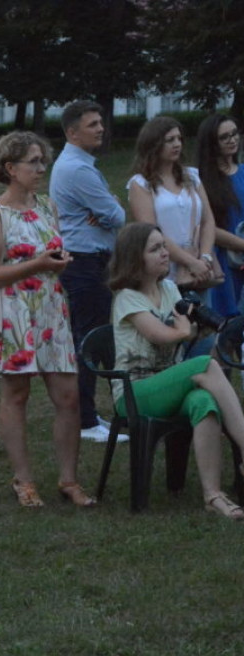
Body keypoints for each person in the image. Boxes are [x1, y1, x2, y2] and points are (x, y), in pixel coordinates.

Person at [0, 131, 95, 508]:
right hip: (15, 312)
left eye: (43, 161)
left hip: (51, 309)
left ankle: (69, 479)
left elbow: (51, 254)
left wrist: (56, 264)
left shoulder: (47, 206)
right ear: (10, 168)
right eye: (33, 162)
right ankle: (23, 480)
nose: (42, 168)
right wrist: (39, 263)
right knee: (17, 394)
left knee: (69, 397)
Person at [109, 222, 244, 518]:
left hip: (168, 383)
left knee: (204, 403)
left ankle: (214, 495)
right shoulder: (126, 298)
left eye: (164, 246)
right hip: (135, 392)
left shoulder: (169, 289)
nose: (164, 253)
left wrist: (197, 327)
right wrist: (184, 329)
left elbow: (186, 328)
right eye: (155, 249)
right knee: (206, 365)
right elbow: (164, 335)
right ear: (135, 258)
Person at [49, 100, 129, 444]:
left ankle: (89, 415)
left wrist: (107, 207)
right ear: (72, 132)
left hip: (86, 259)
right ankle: (85, 420)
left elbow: (109, 211)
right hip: (85, 262)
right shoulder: (77, 169)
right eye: (93, 124)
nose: (100, 128)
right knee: (89, 339)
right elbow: (118, 216)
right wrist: (108, 207)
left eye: (100, 122)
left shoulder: (78, 165)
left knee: (88, 336)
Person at [128, 116, 220, 296]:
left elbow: (208, 221)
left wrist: (205, 257)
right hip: (162, 269)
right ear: (154, 144)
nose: (177, 144)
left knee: (203, 319)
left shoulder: (192, 176)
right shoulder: (140, 184)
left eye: (179, 139)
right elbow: (151, 230)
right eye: (170, 140)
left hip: (198, 266)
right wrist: (190, 262)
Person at [196, 113, 244, 314]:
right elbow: (205, 225)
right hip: (223, 258)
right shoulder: (201, 180)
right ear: (212, 143)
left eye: (234, 134)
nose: (232, 140)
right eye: (225, 137)